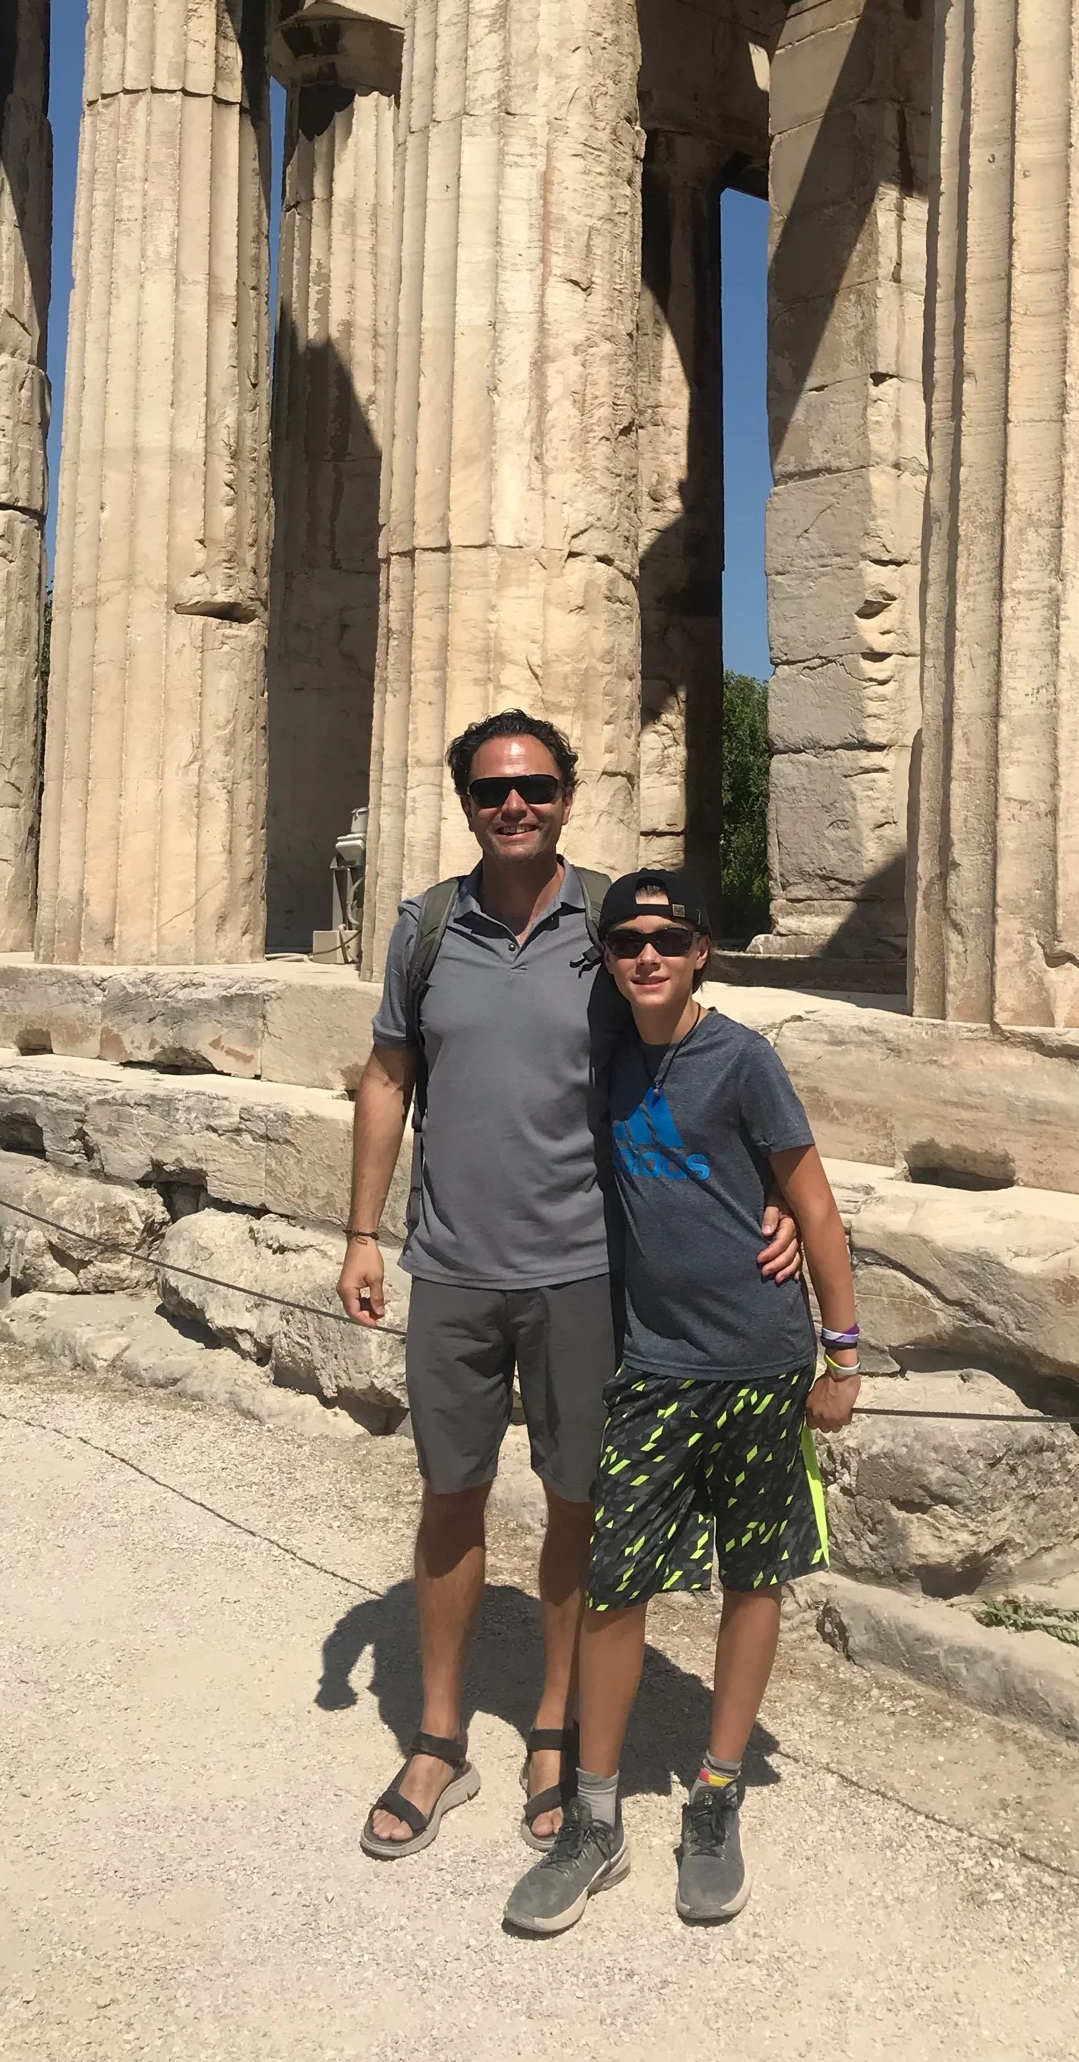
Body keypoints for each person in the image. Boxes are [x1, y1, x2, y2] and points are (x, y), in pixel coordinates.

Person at [336, 715, 800, 1859]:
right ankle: (438, 1736)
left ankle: (553, 1727)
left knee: (575, 1504)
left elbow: (685, 1049)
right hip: (452, 1263)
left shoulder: (607, 924)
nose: (516, 806)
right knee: (449, 1496)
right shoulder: (425, 928)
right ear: (466, 802)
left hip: (586, 1269)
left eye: (536, 787)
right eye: (495, 790)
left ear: (566, 797)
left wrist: (772, 1191)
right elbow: (389, 1075)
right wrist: (359, 1232)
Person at [502, 868, 861, 1936]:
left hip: (758, 1360)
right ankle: (595, 1815)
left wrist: (843, 1356)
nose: (647, 955)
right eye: (627, 942)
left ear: (703, 950)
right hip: (653, 1364)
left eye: (668, 938)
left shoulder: (743, 1058)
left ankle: (715, 1791)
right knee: (617, 1583)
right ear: (608, 960)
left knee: (754, 1575)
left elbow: (815, 1206)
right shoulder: (607, 1054)